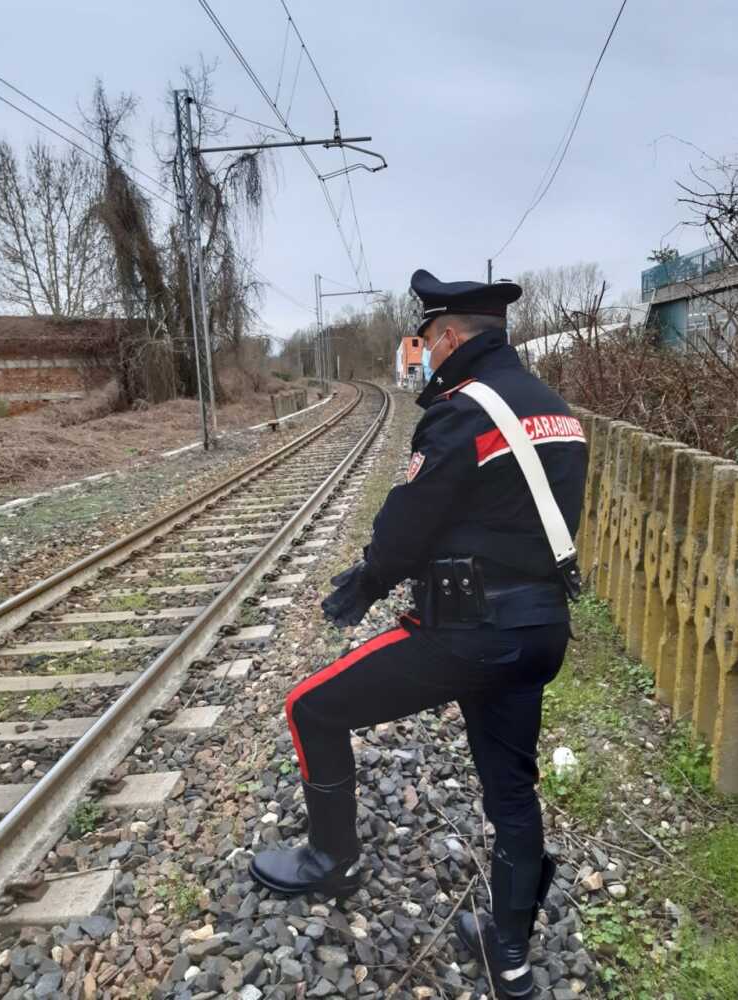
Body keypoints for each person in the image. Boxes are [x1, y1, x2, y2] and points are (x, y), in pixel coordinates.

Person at [250, 269, 588, 998]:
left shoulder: (464, 413)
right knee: (513, 794)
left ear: (449, 335)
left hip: (469, 635)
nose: (423, 353)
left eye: (425, 340)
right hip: (540, 633)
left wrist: (366, 583)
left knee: (311, 706)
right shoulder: (556, 409)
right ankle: (512, 959)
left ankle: (331, 860)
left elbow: (405, 529)